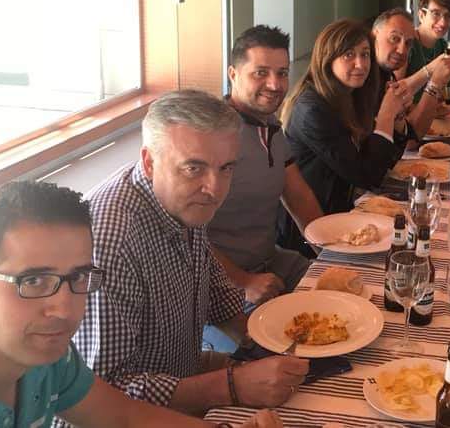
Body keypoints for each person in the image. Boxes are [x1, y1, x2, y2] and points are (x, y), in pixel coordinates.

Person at [0, 180, 281, 428]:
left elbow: (125, 417)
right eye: (33, 281)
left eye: (79, 277)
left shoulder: (47, 354)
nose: (63, 310)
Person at [72, 90, 307, 419]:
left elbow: (213, 286)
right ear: (149, 162)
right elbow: (103, 396)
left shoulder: (182, 201)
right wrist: (232, 385)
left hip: (184, 377)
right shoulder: (112, 242)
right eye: (194, 168)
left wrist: (260, 346)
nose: (215, 189)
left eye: (226, 168)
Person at [207, 25, 322, 306]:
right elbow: (184, 233)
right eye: (260, 73)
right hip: (224, 284)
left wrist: (333, 253)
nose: (275, 84)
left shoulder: (270, 125)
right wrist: (242, 281)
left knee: (355, 295)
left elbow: (299, 198)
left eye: (282, 73)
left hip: (274, 262)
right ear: (233, 74)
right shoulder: (210, 135)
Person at [279, 19, 411, 256]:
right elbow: (367, 175)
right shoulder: (312, 109)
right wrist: (386, 116)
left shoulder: (351, 95)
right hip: (309, 234)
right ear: (327, 59)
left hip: (343, 215)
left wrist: (397, 120)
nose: (360, 64)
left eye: (365, 54)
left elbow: (384, 162)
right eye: (349, 54)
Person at [370, 8, 450, 137]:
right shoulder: (365, 79)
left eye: (408, 43)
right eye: (394, 38)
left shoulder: (387, 74)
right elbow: (409, 140)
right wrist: (433, 82)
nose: (402, 50)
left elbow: (407, 134)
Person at [405, 0, 450, 79]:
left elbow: (444, 83)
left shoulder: (443, 46)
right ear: (422, 15)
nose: (443, 23)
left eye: (448, 16)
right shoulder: (406, 43)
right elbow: (396, 86)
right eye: (436, 14)